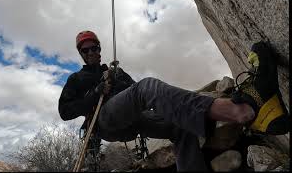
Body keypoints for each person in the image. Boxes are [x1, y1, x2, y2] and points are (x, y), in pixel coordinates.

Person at [58, 30, 289, 171]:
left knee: (180, 125)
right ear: (81, 54)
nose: (90, 53)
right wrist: (98, 91)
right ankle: (239, 111)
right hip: (104, 121)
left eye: (93, 48)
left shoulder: (116, 73)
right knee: (147, 86)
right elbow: (65, 111)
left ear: (99, 48)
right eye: (85, 50)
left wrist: (115, 84)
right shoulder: (77, 79)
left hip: (134, 120)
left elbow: (136, 94)